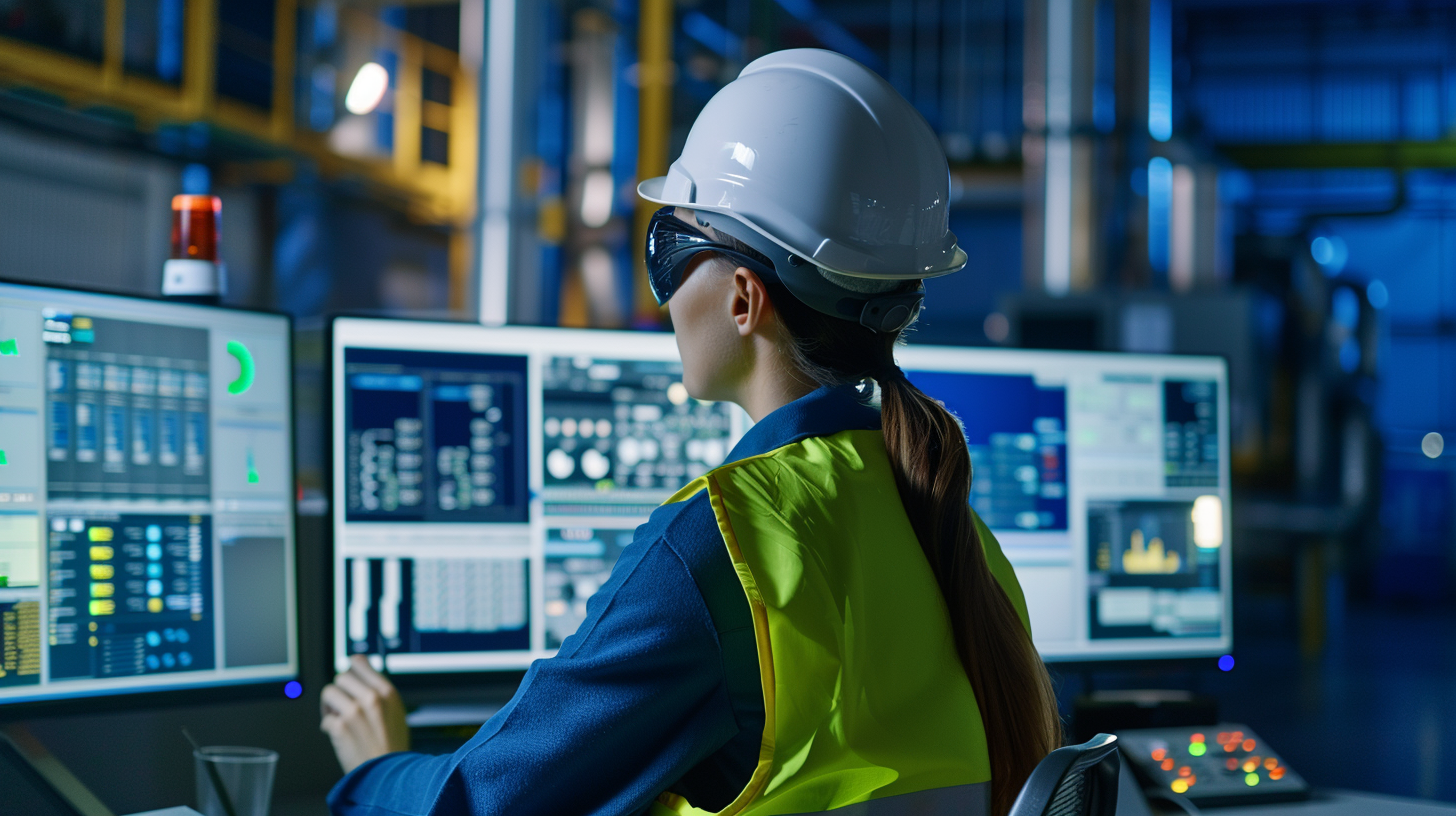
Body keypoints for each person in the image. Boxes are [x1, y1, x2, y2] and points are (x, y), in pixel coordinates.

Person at [321, 48, 1060, 816]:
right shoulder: (950, 525)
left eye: (669, 252)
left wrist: (377, 768)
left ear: (745, 299)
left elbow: (478, 804)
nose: (666, 299)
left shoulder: (725, 545)